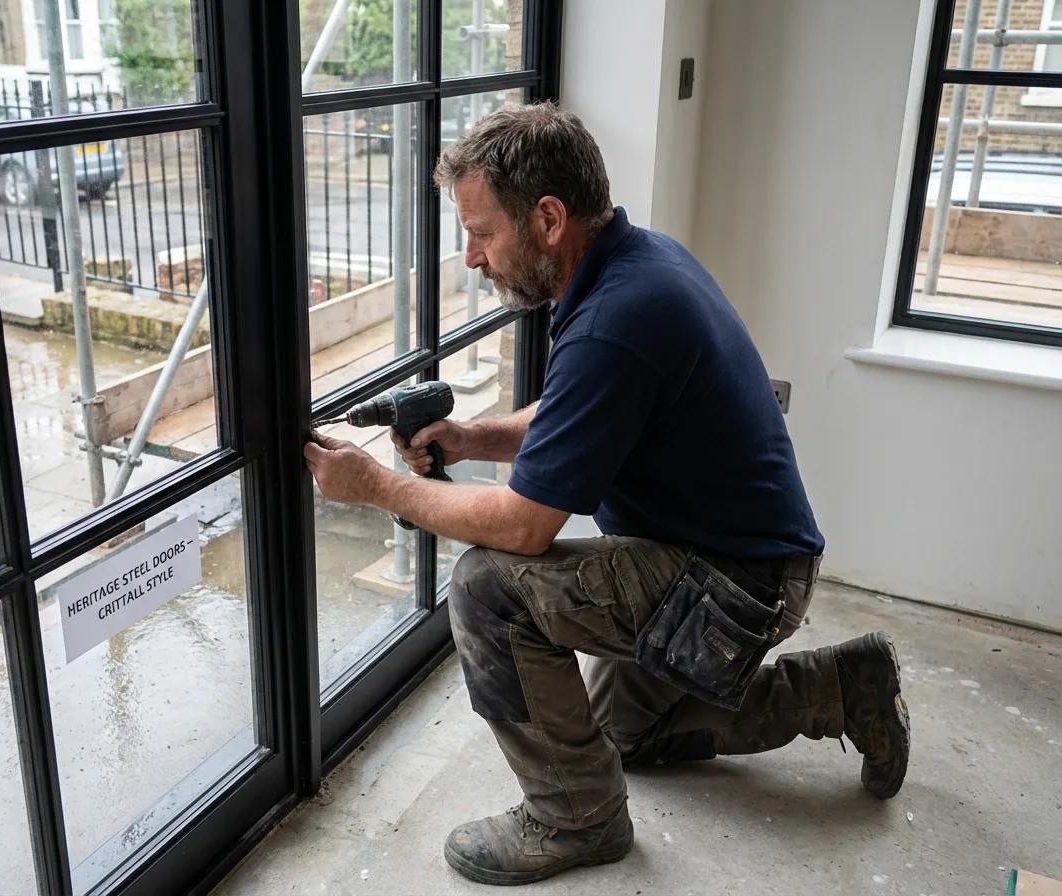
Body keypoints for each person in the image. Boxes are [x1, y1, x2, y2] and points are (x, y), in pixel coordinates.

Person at [302, 101, 911, 887]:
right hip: (729, 558)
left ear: (549, 219)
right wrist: (474, 438)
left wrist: (376, 487)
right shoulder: (640, 262)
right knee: (624, 736)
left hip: (736, 589)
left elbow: (522, 527)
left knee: (488, 589)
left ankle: (575, 818)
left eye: (481, 232)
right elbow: (576, 411)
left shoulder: (616, 320)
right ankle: (841, 688)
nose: (472, 257)